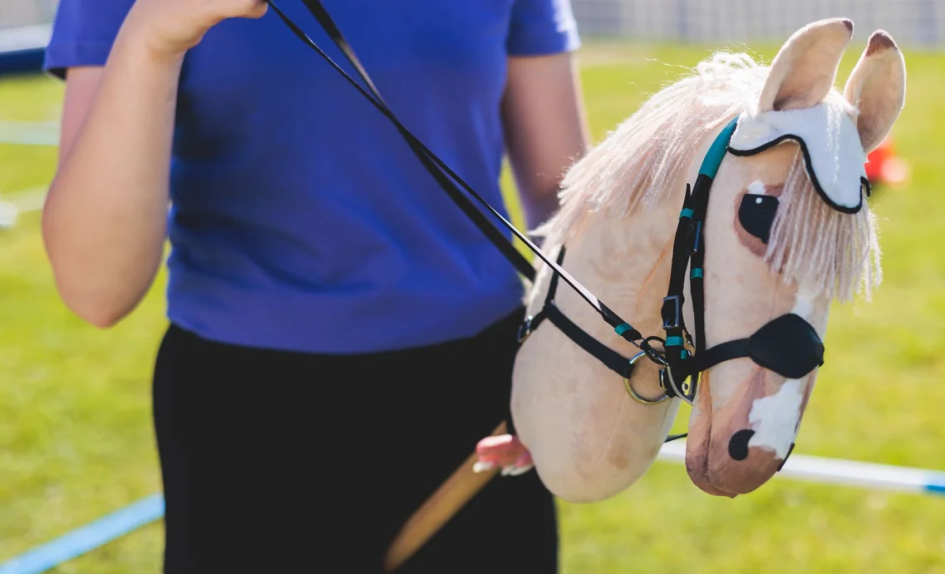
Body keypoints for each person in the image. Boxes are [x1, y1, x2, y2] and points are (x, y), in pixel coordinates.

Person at [41, 0, 590, 571]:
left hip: (477, 399)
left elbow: (566, 207)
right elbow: (97, 291)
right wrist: (152, 34)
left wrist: (567, 375)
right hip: (246, 420)